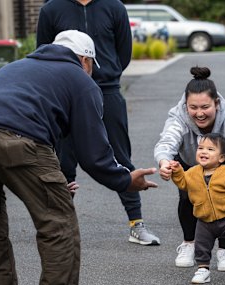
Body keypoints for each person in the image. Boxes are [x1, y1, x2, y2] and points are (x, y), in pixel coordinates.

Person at [0, 30, 157, 285]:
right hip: (17, 138)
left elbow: (35, 126)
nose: (93, 73)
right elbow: (94, 155)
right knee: (59, 229)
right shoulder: (81, 81)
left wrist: (56, 180)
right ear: (85, 60)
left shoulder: (18, 67)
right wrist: (125, 180)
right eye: (92, 67)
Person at [36, 0, 161, 245]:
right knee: (63, 161)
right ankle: (59, 226)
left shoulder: (114, 7)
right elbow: (43, 50)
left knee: (120, 157)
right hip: (64, 92)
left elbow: (123, 54)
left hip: (107, 91)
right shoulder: (51, 9)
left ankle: (136, 224)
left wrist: (106, 74)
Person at [154, 66, 225, 271]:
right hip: (189, 162)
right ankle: (189, 243)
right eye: (193, 107)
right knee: (187, 197)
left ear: (216, 104)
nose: (199, 113)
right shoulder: (179, 116)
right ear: (186, 105)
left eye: (205, 107)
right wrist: (164, 161)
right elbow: (167, 142)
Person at [169, 133, 225, 285]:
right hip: (204, 220)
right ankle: (203, 270)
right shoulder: (192, 173)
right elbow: (182, 183)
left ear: (221, 158)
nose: (203, 151)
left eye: (210, 149)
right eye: (200, 148)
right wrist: (177, 171)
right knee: (202, 247)